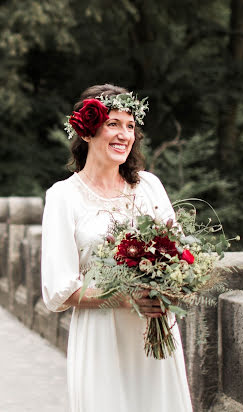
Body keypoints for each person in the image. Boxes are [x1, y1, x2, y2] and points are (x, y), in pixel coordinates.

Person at [41, 84, 193, 412]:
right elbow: (59, 290)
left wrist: (173, 286)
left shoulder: (149, 186)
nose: (124, 134)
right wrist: (127, 299)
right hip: (101, 339)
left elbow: (181, 255)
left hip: (155, 338)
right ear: (86, 130)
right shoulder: (63, 197)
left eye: (130, 125)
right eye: (113, 124)